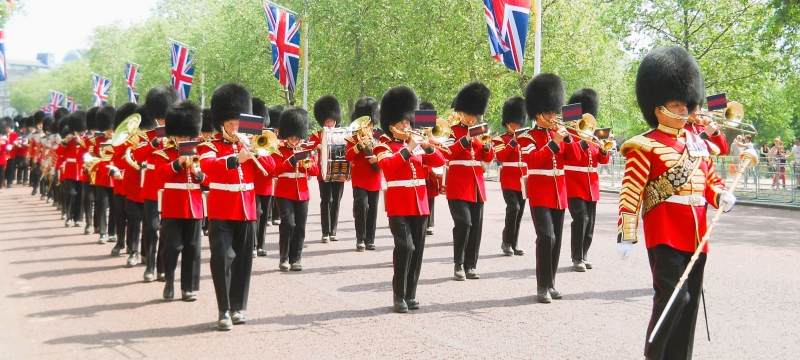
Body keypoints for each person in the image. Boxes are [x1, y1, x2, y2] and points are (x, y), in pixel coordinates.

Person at [617, 46, 735, 360]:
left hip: (697, 233)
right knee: (673, 298)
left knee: (690, 301)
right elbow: (632, 191)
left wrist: (720, 194)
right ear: (658, 108)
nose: (685, 111)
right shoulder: (645, 145)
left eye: (686, 105)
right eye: (677, 105)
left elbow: (709, 180)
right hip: (665, 231)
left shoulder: (697, 143)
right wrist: (627, 234)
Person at [199, 83, 276, 331]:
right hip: (222, 210)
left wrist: (259, 152)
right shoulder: (210, 146)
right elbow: (208, 165)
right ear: (221, 124)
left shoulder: (252, 143)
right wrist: (235, 159)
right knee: (221, 258)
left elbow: (272, 168)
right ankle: (223, 309)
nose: (235, 129)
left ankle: (237, 307)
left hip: (247, 209)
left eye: (237, 124)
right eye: (230, 124)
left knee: (243, 261)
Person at [373, 86, 446, 312]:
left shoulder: (419, 144)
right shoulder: (383, 145)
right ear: (391, 125)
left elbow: (440, 161)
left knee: (418, 251)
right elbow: (388, 167)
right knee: (405, 247)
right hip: (398, 202)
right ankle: (398, 294)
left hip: (421, 203)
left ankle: (410, 294)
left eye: (409, 122)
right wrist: (408, 148)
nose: (408, 126)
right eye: (403, 123)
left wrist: (426, 147)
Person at [517, 73, 580, 303]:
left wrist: (570, 138)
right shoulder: (527, 137)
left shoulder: (559, 134)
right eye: (549, 111)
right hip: (540, 191)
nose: (554, 116)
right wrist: (554, 143)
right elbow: (533, 161)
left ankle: (551, 283)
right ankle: (541, 285)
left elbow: (575, 157)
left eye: (555, 111)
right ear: (538, 112)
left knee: (557, 239)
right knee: (546, 237)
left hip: (559, 192)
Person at [154, 100, 207, 302]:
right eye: (180, 134)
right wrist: (178, 162)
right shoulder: (164, 153)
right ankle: (169, 281)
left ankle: (188, 288)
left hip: (194, 205)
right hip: (173, 206)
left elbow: (211, 178)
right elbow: (160, 175)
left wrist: (200, 174)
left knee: (192, 249)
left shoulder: (200, 152)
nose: (183, 138)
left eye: (186, 134)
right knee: (172, 247)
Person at [445, 82, 493, 281]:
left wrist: (488, 146)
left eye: (475, 114)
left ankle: (471, 265)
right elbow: (447, 153)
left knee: (476, 226)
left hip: (476, 186)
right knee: (463, 223)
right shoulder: (452, 130)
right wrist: (464, 139)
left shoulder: (481, 131)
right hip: (457, 184)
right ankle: (458, 264)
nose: (472, 118)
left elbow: (488, 158)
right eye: (469, 114)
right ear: (462, 112)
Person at [564, 88, 610, 272]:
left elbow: (601, 159)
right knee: (580, 219)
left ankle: (584, 254)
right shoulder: (569, 131)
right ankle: (576, 258)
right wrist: (584, 139)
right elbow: (573, 155)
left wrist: (604, 149)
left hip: (592, 184)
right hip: (574, 181)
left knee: (590, 222)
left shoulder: (592, 133)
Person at [139, 86, 181, 282]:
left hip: (170, 188)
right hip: (151, 187)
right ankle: (149, 266)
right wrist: (155, 143)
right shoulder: (148, 136)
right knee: (151, 228)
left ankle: (161, 266)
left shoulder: (178, 137)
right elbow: (137, 155)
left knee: (166, 230)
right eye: (161, 117)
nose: (163, 120)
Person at [271, 108, 317, 271]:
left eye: (297, 136)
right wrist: (291, 161)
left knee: (300, 227)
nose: (294, 139)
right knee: (288, 224)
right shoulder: (279, 150)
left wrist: (309, 163)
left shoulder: (305, 150)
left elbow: (315, 171)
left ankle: (295, 259)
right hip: (284, 192)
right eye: (291, 136)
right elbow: (275, 170)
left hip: (302, 192)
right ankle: (283, 258)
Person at [344, 97, 383, 251]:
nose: (369, 126)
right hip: (360, 177)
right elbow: (348, 156)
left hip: (374, 177)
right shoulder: (353, 138)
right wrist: (359, 146)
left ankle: (370, 239)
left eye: (371, 124)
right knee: (362, 206)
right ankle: (360, 238)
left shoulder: (380, 137)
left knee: (372, 209)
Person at [492, 96, 528, 256]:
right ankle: (506, 241)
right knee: (513, 208)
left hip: (523, 179)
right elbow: (501, 157)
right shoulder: (499, 139)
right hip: (508, 178)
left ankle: (514, 242)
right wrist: (513, 142)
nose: (517, 125)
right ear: (507, 123)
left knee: (520, 212)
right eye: (514, 123)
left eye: (519, 123)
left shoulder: (526, 139)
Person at [310, 95, 345, 243]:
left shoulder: (343, 133)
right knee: (326, 200)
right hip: (324, 171)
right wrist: (317, 147)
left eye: (331, 120)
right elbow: (308, 149)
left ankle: (333, 231)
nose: (329, 123)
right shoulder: (316, 135)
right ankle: (325, 231)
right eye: (327, 121)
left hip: (339, 169)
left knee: (336, 200)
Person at [58, 111, 89, 228]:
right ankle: (68, 216)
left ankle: (78, 218)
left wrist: (80, 141)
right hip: (70, 172)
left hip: (82, 172)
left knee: (81, 196)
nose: (82, 132)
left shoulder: (86, 140)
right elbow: (59, 153)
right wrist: (65, 141)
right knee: (70, 193)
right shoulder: (68, 140)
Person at [251, 97, 274, 257]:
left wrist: (258, 155)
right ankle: (252, 244)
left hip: (265, 185)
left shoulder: (266, 140)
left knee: (264, 216)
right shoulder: (245, 140)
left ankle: (260, 245)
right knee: (255, 214)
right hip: (252, 185)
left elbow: (272, 166)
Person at [91, 107, 116, 244]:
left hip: (115, 177)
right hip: (101, 177)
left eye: (112, 128)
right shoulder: (97, 141)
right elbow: (92, 157)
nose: (110, 131)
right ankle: (102, 232)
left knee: (114, 207)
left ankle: (112, 232)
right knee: (101, 205)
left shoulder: (119, 140)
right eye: (108, 128)